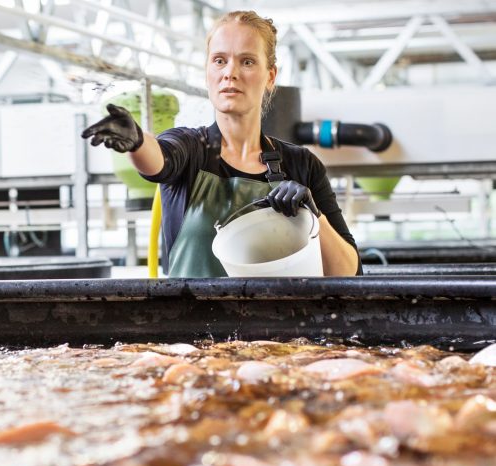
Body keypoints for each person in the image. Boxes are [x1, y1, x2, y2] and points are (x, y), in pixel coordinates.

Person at [81, 10, 361, 277]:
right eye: (219, 60)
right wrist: (138, 141)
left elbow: (348, 272)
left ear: (270, 76)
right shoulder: (190, 148)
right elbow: (158, 160)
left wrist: (314, 215)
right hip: (191, 314)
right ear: (207, 72)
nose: (230, 72)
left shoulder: (302, 164)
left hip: (277, 314)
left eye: (247, 61)